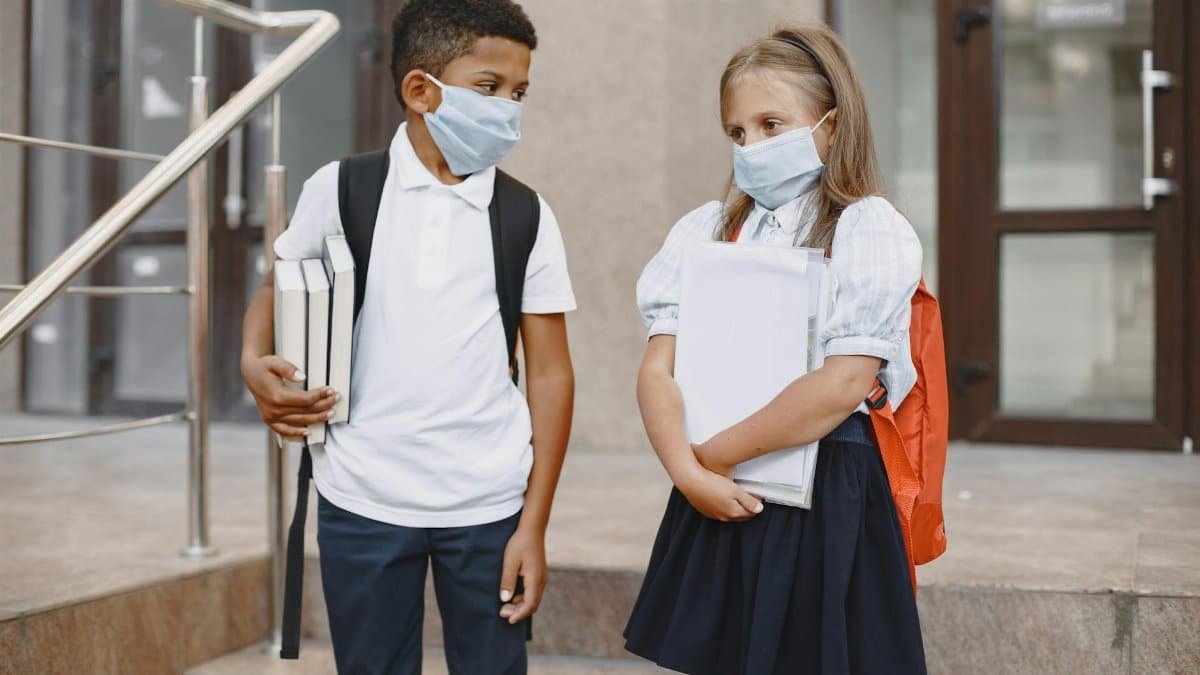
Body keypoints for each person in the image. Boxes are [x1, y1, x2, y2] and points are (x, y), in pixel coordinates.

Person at [239, 1, 576, 672]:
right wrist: (252, 361)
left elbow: (550, 373)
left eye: (519, 93)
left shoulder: (526, 215)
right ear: (420, 91)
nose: (507, 108)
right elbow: (279, 285)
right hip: (361, 496)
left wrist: (533, 523)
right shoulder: (340, 189)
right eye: (489, 88)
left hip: (488, 505)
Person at [623, 24, 927, 675]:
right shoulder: (706, 229)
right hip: (713, 485)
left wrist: (710, 456)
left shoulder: (866, 228)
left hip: (821, 490)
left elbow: (845, 382)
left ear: (832, 125)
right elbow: (658, 368)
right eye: (737, 132)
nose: (751, 145)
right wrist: (686, 472)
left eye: (771, 124)